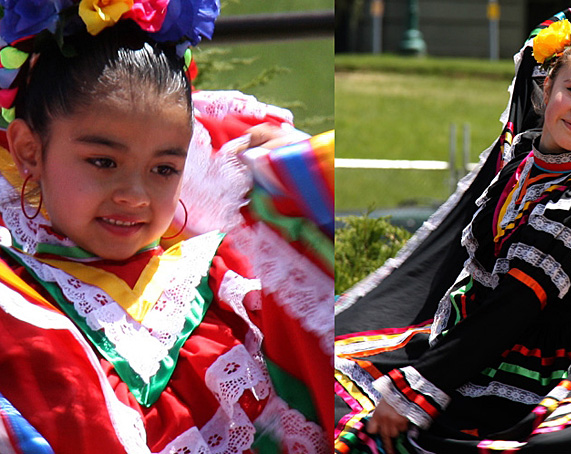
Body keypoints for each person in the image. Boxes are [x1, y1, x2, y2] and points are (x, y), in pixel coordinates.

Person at [0, 1, 333, 453]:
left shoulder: (226, 279)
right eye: (103, 162)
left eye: (163, 169)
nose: (134, 196)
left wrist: (300, 179)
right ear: (29, 151)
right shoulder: (15, 302)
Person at [335, 9, 571, 453]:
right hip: (473, 336)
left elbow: (512, 309)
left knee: (371, 437)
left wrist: (417, 393)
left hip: (533, 363)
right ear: (546, 88)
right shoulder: (524, 161)